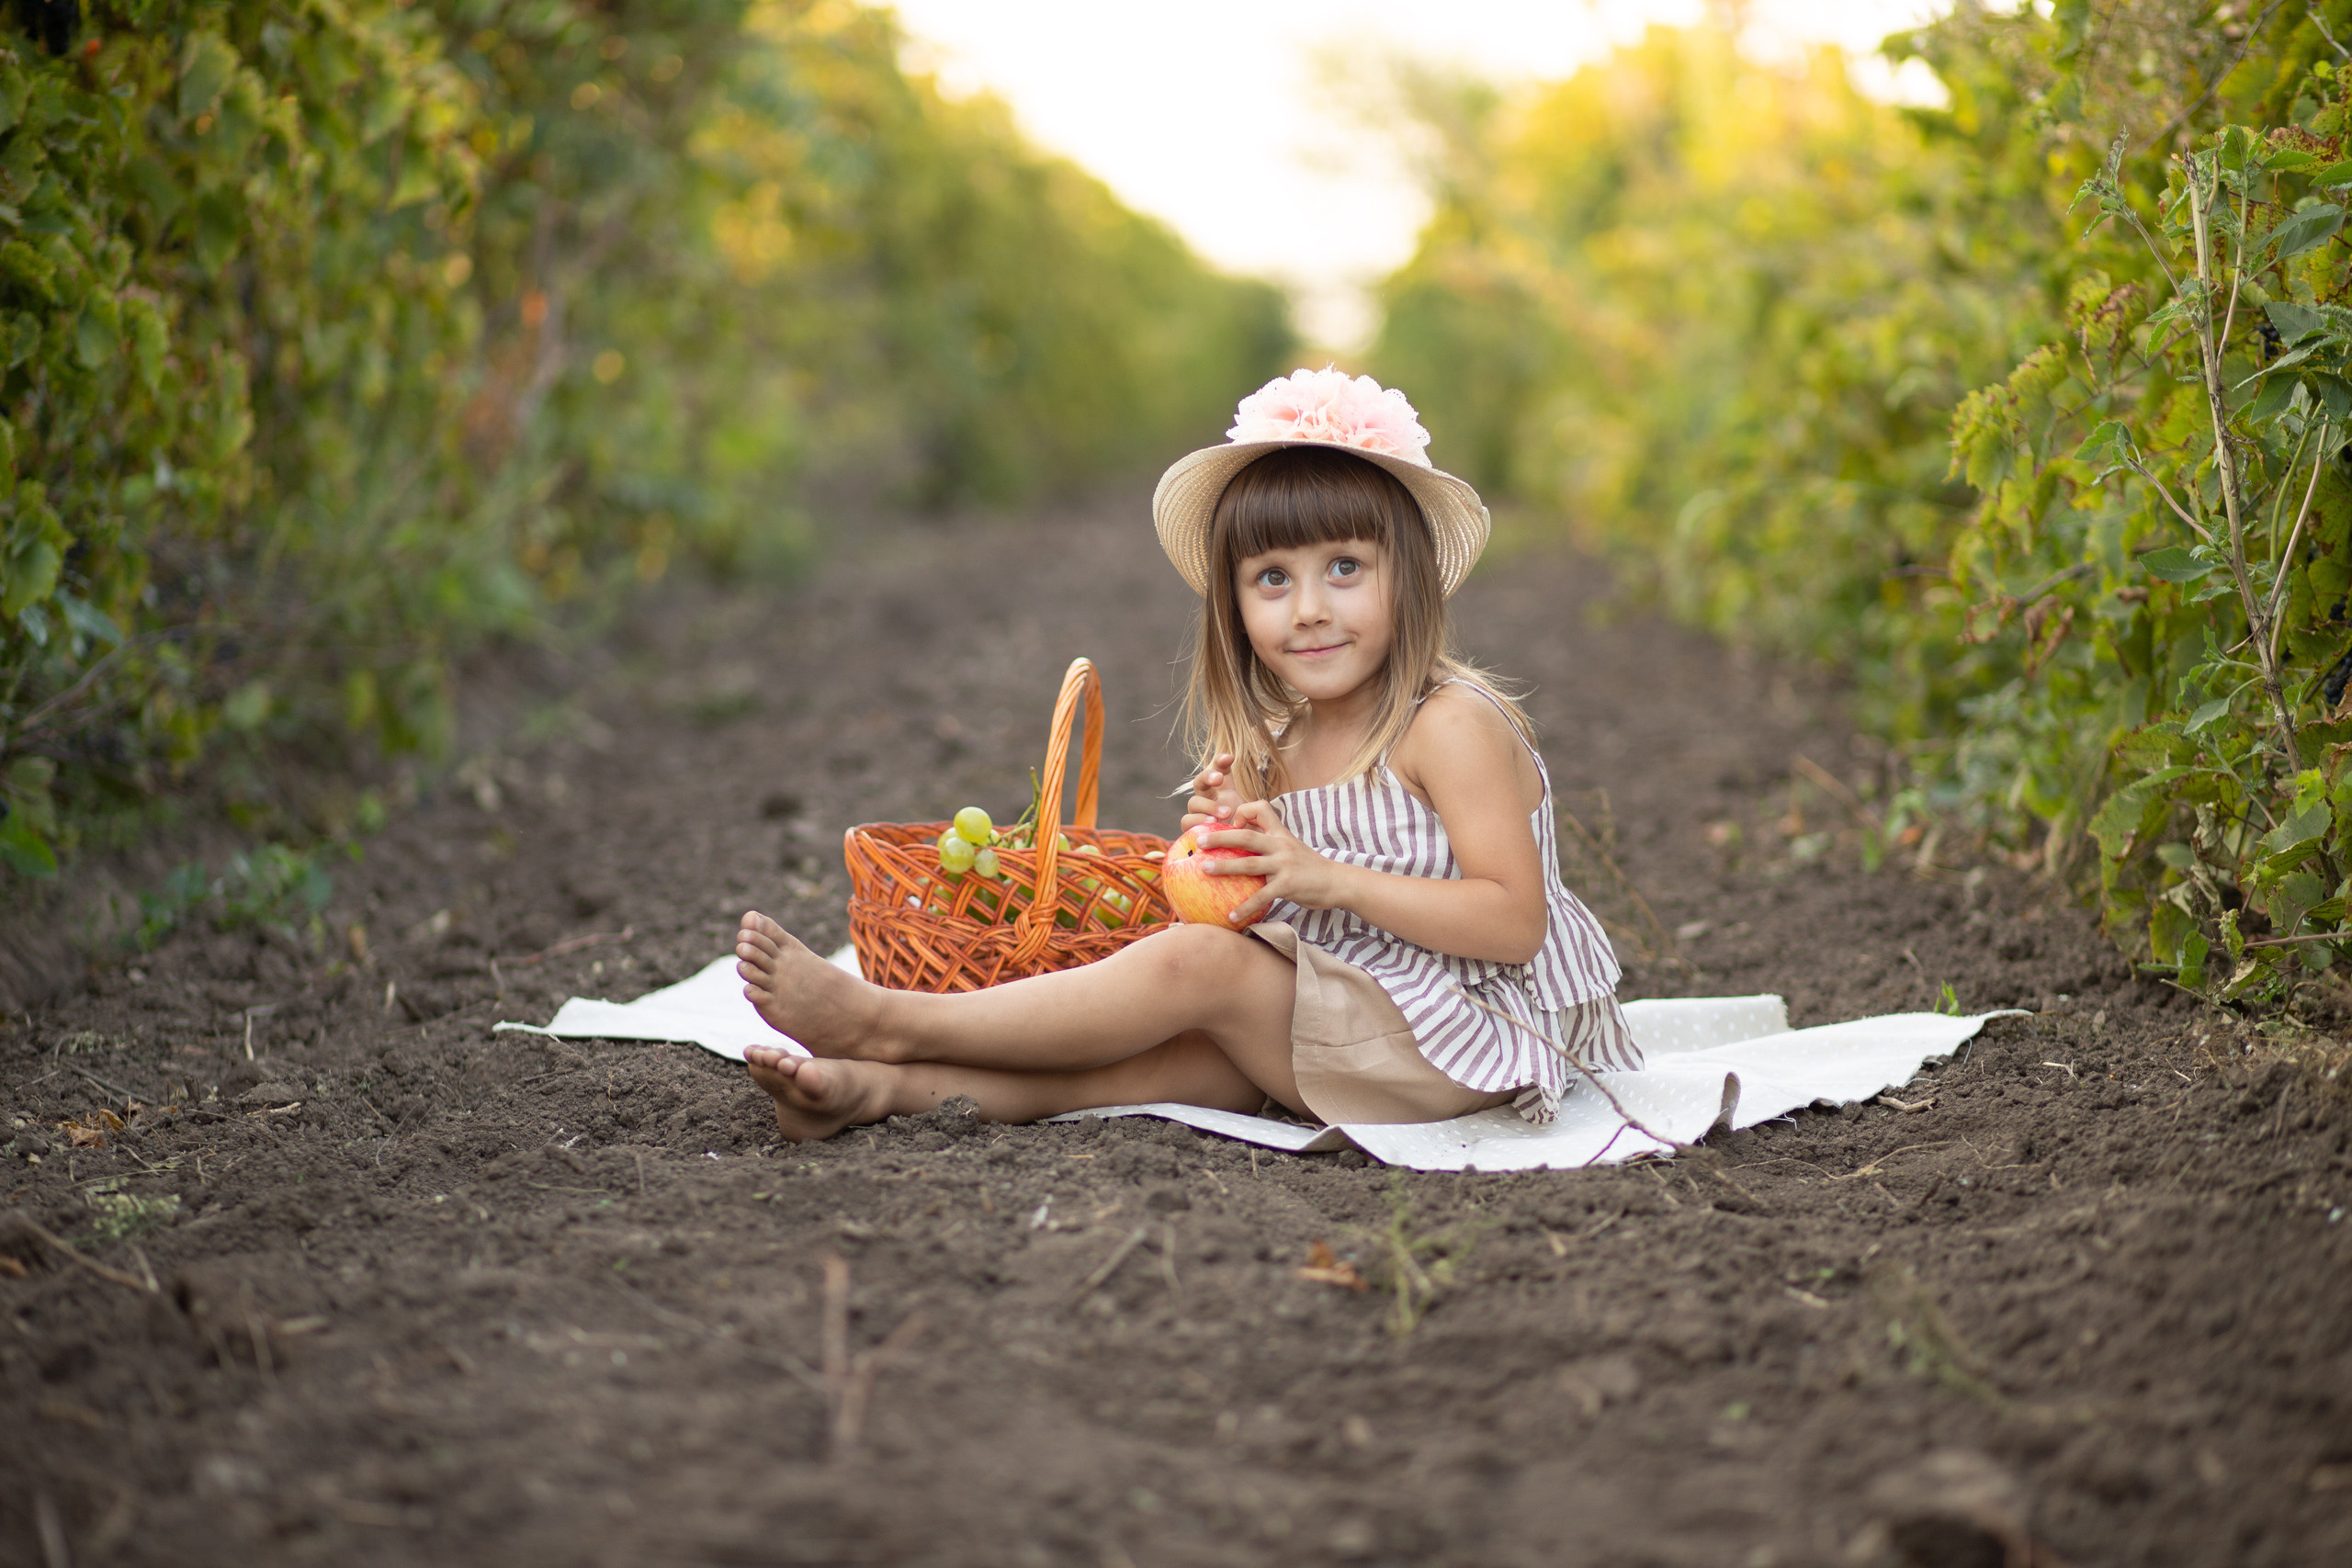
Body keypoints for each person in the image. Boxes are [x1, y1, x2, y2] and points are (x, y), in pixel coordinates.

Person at [734, 367, 1640, 1141]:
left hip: (1466, 1032)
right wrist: (1222, 860)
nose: (1310, 608)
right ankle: (876, 1092)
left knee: (1193, 971)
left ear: (1408, 574)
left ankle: (888, 1023)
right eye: (1272, 579)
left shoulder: (1448, 724)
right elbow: (1266, 927)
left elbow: (1512, 921)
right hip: (1361, 1014)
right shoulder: (1277, 744)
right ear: (1235, 608)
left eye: (1345, 569)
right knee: (1168, 1059)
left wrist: (1323, 877)